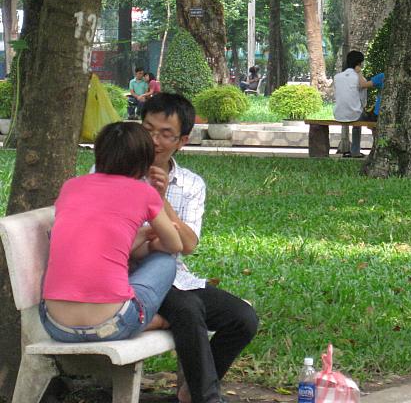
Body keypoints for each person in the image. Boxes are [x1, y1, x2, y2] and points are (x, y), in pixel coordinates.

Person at [140, 93, 259, 403]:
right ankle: (207, 398)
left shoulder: (191, 184)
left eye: (165, 134)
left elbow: (189, 244)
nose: (154, 140)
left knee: (243, 318)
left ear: (182, 140)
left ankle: (191, 392)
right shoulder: (115, 169)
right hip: (133, 279)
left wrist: (159, 199)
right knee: (188, 309)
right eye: (148, 129)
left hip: (176, 276)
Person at [40, 122, 182, 343]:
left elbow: (100, 243)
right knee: (165, 262)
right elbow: (175, 246)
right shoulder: (144, 192)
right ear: (144, 161)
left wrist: (144, 235)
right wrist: (153, 235)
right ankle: (158, 321)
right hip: (113, 325)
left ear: (99, 153)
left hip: (57, 326)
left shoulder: (71, 186)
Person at [333, 51, 383, 158]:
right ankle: (355, 152)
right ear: (359, 64)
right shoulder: (360, 79)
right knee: (360, 119)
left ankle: (355, 151)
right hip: (355, 115)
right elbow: (363, 101)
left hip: (337, 114)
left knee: (358, 116)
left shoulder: (337, 77)